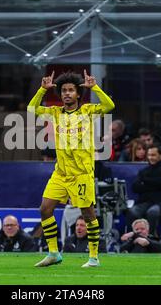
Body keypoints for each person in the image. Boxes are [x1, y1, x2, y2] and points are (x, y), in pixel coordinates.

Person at [27, 70, 115, 268]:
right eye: (64, 90)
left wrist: (95, 88)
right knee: (45, 209)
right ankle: (53, 253)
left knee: (88, 214)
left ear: (77, 94)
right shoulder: (55, 113)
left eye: (71, 90)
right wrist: (42, 89)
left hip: (82, 174)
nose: (67, 93)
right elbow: (32, 109)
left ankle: (93, 257)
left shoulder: (87, 111)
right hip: (61, 173)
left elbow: (109, 106)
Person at [124, 143, 161, 235]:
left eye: (153, 155)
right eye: (149, 155)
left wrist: (145, 182)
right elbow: (135, 187)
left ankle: (152, 238)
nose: (151, 157)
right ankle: (131, 238)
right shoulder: (143, 171)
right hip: (145, 202)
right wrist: (156, 184)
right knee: (132, 211)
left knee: (152, 212)